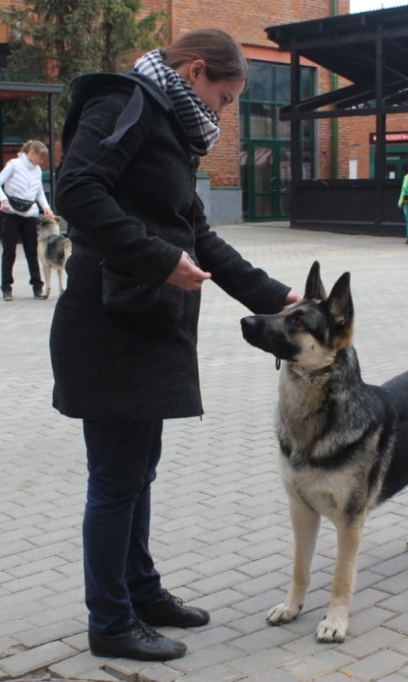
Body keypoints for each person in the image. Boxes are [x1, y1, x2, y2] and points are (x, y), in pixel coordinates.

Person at [50, 29, 301, 662]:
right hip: (110, 326)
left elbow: (199, 236)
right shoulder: (125, 105)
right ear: (193, 72)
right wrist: (161, 260)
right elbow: (75, 191)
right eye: (223, 96)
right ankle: (110, 621)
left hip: (146, 325)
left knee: (138, 471)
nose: (222, 112)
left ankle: (141, 591)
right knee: (115, 480)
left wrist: (277, 299)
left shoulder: (167, 127)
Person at [0, 140, 55, 301]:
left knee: (32, 251)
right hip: (11, 212)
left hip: (29, 213)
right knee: (9, 251)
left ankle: (37, 286)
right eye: (40, 158)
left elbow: (39, 191)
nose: (41, 162)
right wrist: (4, 200)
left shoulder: (37, 170)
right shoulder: (14, 164)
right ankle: (6, 287)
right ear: (31, 153)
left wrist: (46, 207)